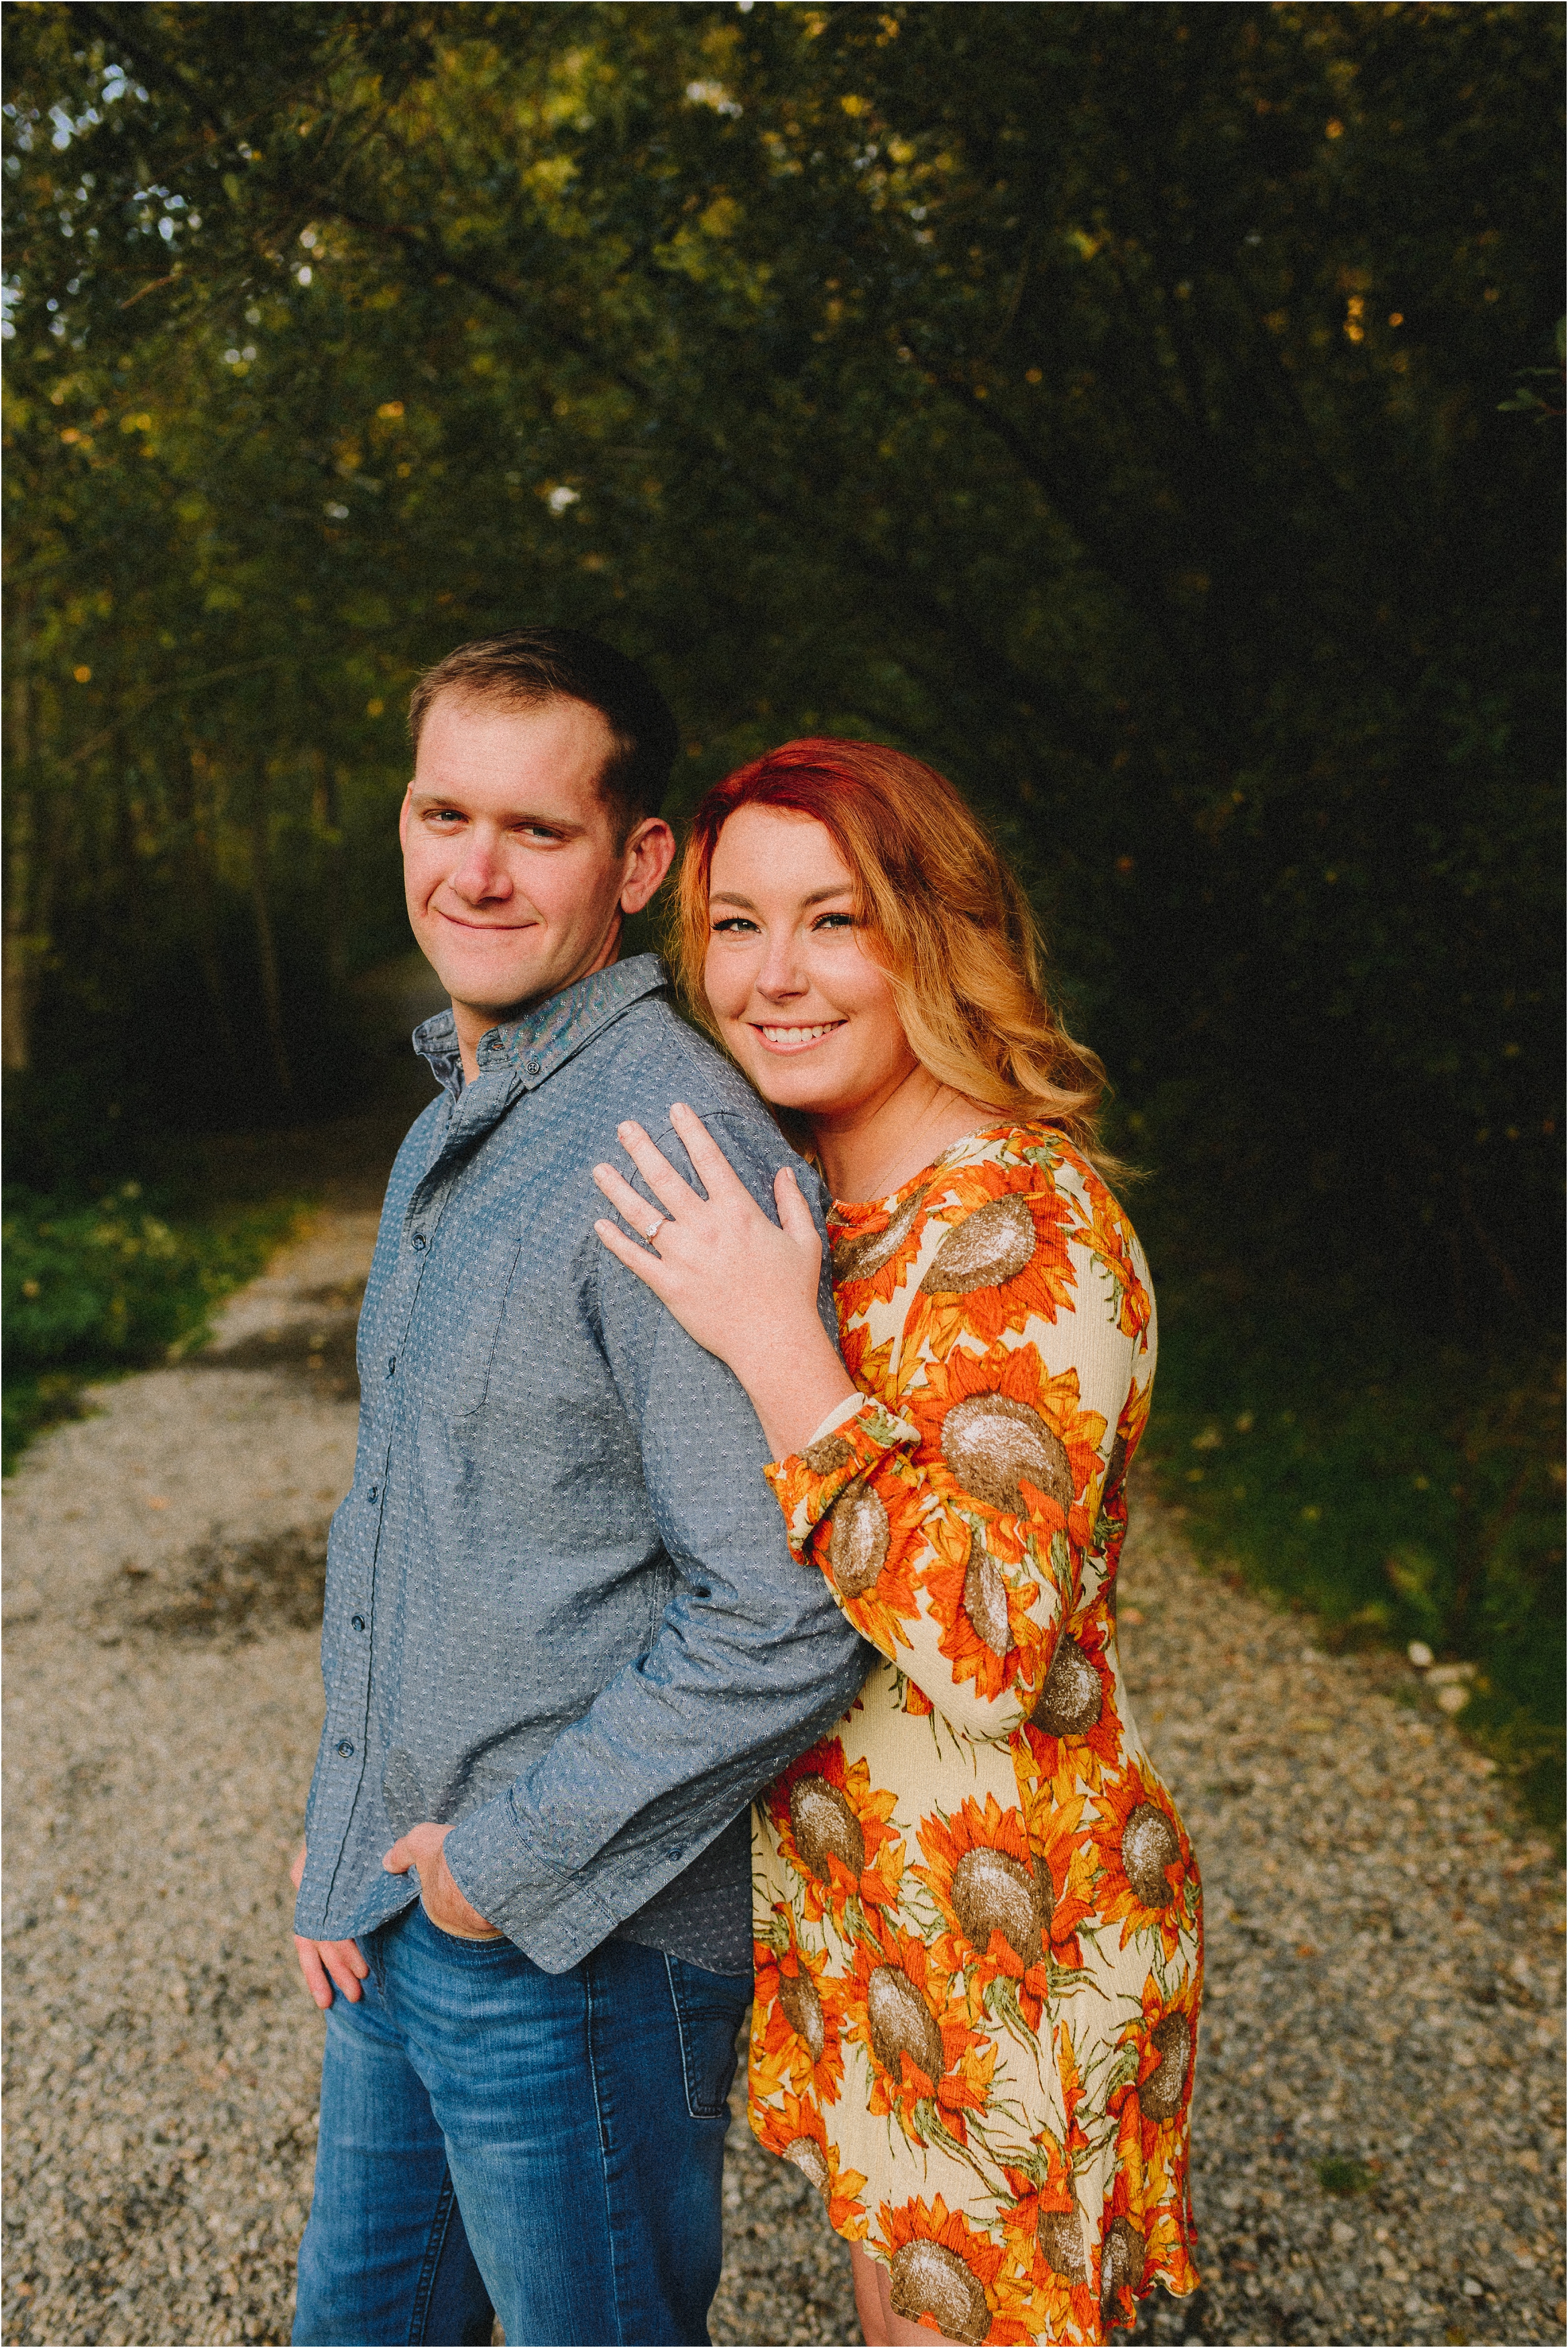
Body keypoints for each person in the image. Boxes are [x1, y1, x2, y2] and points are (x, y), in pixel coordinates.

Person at [287, 637, 870, 2348]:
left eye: (535, 831)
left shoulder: (669, 1149)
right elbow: (412, 1524)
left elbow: (786, 1604)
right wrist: (349, 1848)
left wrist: (495, 1870)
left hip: (576, 1951)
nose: (473, 868)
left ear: (636, 863)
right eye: (442, 811)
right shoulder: (457, 1113)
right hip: (406, 1919)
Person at [591, 738, 1202, 2347]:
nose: (772, 976)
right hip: (864, 1923)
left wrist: (776, 1346)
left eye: (832, 920)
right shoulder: (816, 1201)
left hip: (1010, 1940)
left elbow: (992, 1649)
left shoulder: (1021, 1218)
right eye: (734, 924)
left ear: (931, 934)